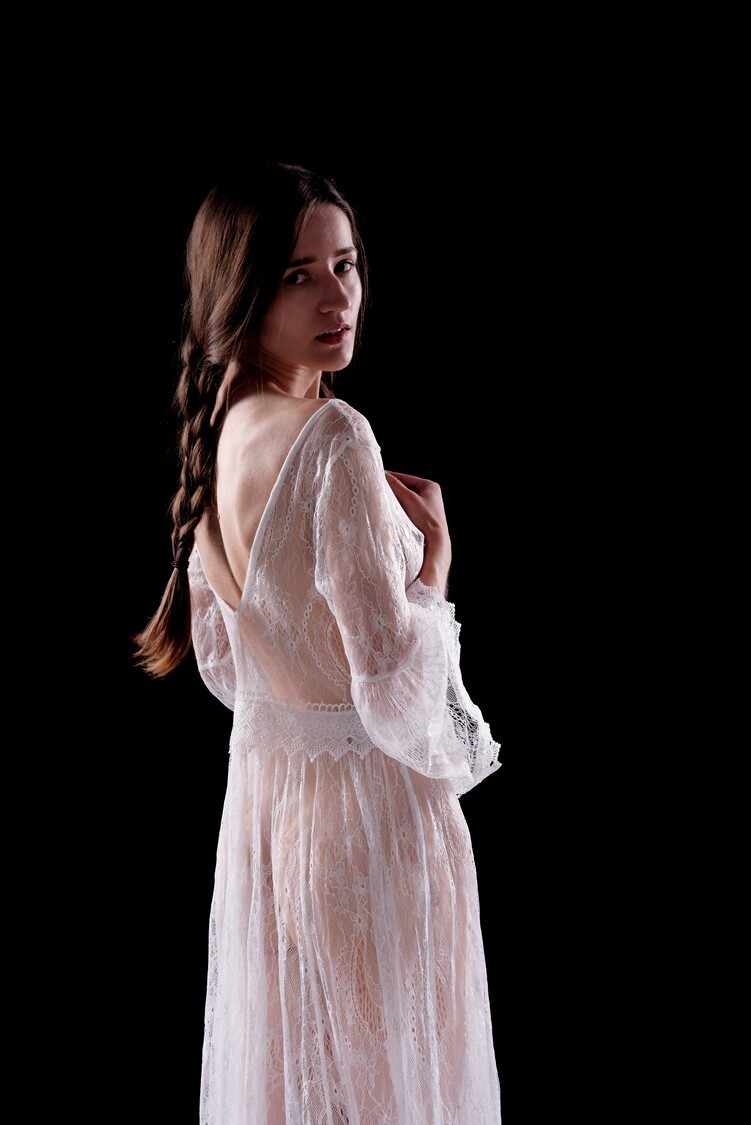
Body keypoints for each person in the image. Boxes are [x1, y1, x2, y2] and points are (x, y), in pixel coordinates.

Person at [134, 162, 503, 1124]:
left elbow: (234, 669)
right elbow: (392, 694)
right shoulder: (335, 435)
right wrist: (434, 572)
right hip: (370, 829)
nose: (337, 297)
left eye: (344, 264)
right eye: (298, 275)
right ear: (243, 291)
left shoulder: (222, 430)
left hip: (275, 824)